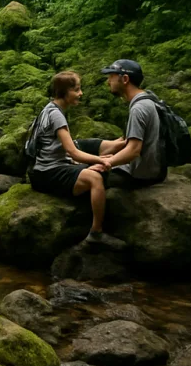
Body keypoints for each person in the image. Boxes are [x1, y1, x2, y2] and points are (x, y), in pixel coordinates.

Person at [27, 71, 113, 244]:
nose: (80, 93)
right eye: (77, 89)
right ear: (63, 92)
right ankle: (96, 233)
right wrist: (101, 160)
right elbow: (72, 151)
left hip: (44, 170)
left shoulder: (50, 108)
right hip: (46, 173)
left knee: (94, 169)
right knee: (95, 178)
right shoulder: (56, 114)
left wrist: (88, 162)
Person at [81, 59, 165, 190]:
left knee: (82, 175)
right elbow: (127, 141)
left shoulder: (139, 108)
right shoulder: (148, 99)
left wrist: (105, 163)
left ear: (125, 79)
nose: (108, 82)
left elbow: (133, 151)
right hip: (155, 170)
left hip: (140, 174)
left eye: (112, 77)